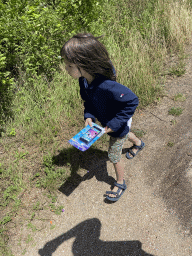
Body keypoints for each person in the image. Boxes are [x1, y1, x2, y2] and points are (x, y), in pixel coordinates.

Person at [60, 33, 145, 201]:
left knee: (114, 154)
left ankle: (120, 182)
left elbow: (132, 100)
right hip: (109, 122)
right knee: (125, 134)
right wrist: (89, 115)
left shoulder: (107, 85)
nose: (66, 69)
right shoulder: (84, 81)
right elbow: (88, 100)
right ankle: (138, 143)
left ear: (83, 65)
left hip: (116, 122)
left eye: (69, 65)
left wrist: (114, 124)